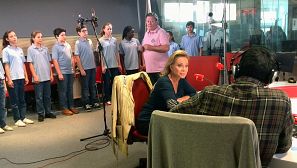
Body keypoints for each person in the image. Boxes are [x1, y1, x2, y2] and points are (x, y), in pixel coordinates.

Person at [170, 46, 294, 167]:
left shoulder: (210, 94)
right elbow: (283, 146)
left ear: (236, 70)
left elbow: (171, 115)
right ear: (271, 76)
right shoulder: (281, 100)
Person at [136, 50, 196, 136]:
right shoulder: (164, 81)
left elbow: (194, 94)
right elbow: (173, 106)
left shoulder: (181, 80)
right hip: (149, 121)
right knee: (187, 128)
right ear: (171, 67)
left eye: (186, 66)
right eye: (179, 65)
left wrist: (181, 99)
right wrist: (180, 101)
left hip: (164, 118)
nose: (184, 69)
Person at [2, 30, 34, 127]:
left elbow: (23, 64)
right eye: (11, 36)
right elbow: (6, 66)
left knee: (22, 99)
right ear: (7, 39)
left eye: (15, 35)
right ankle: (17, 119)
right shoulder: (6, 50)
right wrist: (9, 79)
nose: (14, 37)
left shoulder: (19, 50)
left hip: (21, 77)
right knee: (14, 100)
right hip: (13, 78)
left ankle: (23, 117)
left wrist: (26, 76)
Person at [27, 31, 56, 122]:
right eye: (38, 37)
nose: (40, 38)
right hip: (38, 77)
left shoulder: (45, 49)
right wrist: (34, 75)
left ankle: (48, 112)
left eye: (41, 37)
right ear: (33, 38)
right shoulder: (31, 49)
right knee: (39, 97)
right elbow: (30, 64)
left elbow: (48, 62)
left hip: (46, 76)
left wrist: (51, 74)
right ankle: (40, 113)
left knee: (47, 96)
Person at [74, 25, 101, 112]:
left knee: (93, 86)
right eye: (83, 31)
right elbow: (77, 57)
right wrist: (81, 69)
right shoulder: (77, 43)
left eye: (86, 30)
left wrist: (95, 66)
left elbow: (92, 54)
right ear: (79, 33)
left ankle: (94, 101)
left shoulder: (89, 41)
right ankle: (86, 103)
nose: (86, 32)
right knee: (85, 87)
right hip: (84, 69)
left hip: (92, 67)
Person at [52, 28, 77, 116]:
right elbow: (55, 61)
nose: (64, 36)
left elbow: (72, 58)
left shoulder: (68, 45)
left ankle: (71, 106)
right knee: (63, 91)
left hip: (70, 71)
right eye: (62, 35)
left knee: (70, 90)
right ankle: (64, 108)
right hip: (62, 72)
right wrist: (59, 73)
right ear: (57, 36)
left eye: (64, 34)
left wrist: (73, 70)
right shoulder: (55, 47)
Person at [142, 12, 169, 85]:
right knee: (153, 90)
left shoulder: (161, 32)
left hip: (160, 70)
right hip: (150, 69)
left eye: (151, 21)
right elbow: (145, 49)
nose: (149, 23)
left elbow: (166, 48)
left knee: (162, 90)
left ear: (156, 21)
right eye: (147, 21)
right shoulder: (146, 33)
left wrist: (151, 47)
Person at [99, 22, 121, 105]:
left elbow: (117, 53)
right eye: (108, 29)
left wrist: (119, 64)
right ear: (104, 30)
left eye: (111, 29)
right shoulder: (100, 40)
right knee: (107, 83)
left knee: (114, 82)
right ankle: (107, 98)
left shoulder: (114, 40)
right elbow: (100, 55)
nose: (109, 30)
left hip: (114, 64)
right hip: (106, 66)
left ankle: (114, 97)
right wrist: (102, 66)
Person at [0, 61, 13, 133]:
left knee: (2, 106)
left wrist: (4, 85)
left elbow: (2, 74)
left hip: (1, 82)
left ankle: (3, 124)